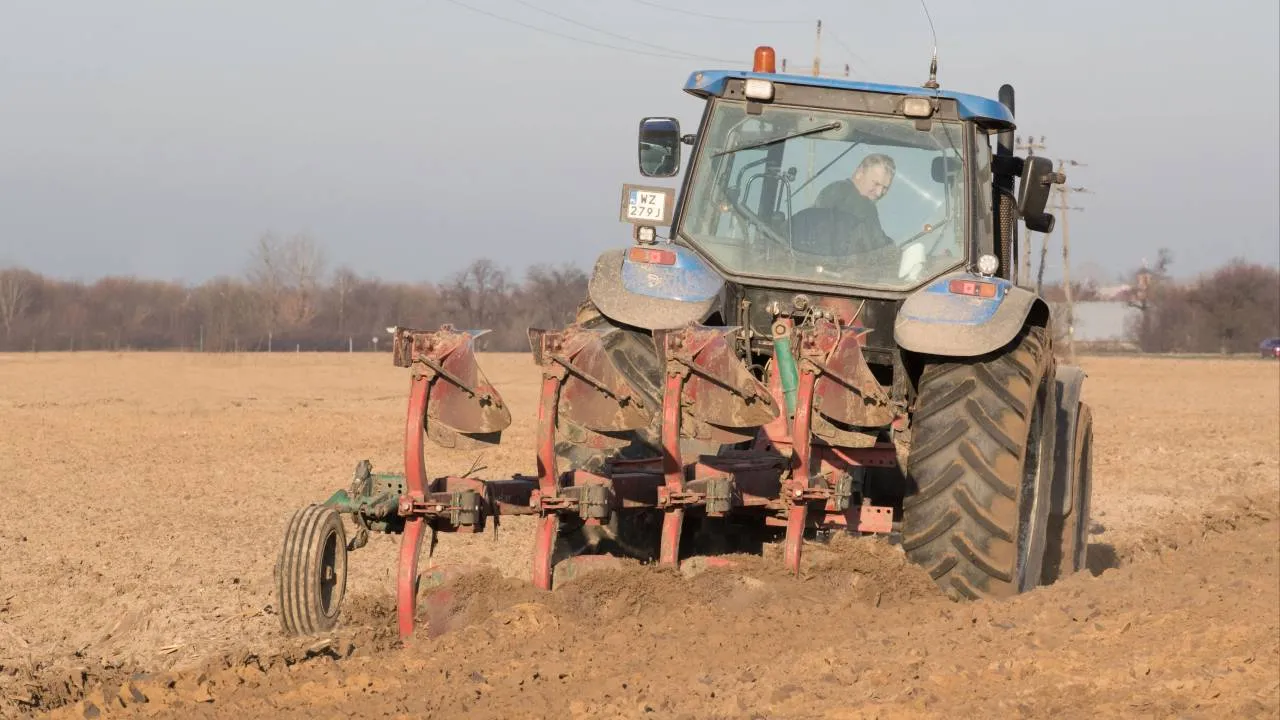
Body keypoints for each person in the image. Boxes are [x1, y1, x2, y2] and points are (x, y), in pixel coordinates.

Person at [812, 153, 898, 257]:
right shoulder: (852, 200)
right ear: (860, 173)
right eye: (876, 184)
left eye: (885, 188)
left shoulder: (834, 191)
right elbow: (877, 246)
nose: (879, 193)